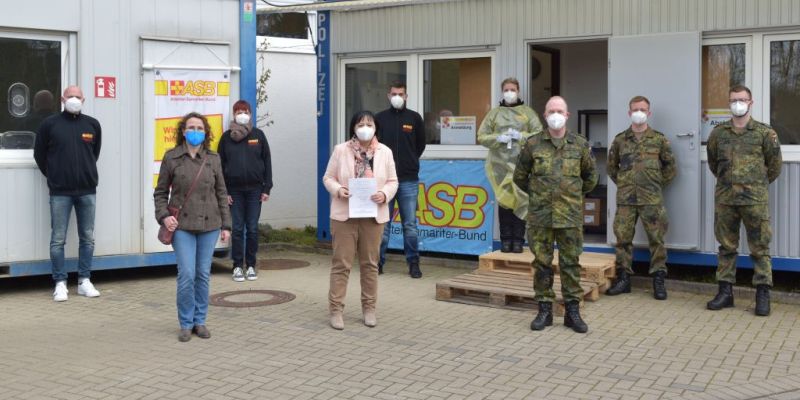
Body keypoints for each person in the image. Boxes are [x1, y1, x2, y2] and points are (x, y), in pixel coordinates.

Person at [513, 96, 597, 333]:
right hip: (541, 216)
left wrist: (572, 195)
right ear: (545, 115)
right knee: (542, 263)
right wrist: (539, 194)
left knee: (571, 263)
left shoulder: (579, 144)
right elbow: (520, 176)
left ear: (567, 115)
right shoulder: (533, 144)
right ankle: (544, 310)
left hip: (569, 216)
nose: (556, 115)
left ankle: (572, 312)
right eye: (551, 111)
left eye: (560, 111)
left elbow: (591, 177)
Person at [154, 112, 232, 342]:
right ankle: (186, 323)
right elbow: (160, 193)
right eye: (191, 127)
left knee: (203, 274)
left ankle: (200, 321)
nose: (195, 131)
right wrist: (164, 216)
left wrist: (226, 225)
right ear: (183, 131)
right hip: (182, 226)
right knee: (187, 274)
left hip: (210, 224)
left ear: (205, 133)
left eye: (199, 128)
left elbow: (221, 193)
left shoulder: (213, 159)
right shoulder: (172, 157)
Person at [706, 85, 782, 316]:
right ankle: (725, 292)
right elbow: (714, 164)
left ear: (751, 102)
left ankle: (762, 294)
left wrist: (754, 185)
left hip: (754, 200)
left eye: (742, 99)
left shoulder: (764, 133)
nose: (737, 104)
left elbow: (774, 167)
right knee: (726, 247)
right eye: (733, 100)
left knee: (760, 247)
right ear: (729, 103)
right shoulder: (718, 134)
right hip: (726, 199)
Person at [323, 111, 398, 330]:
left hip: (373, 216)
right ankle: (336, 310)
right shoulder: (340, 150)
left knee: (370, 265)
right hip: (345, 216)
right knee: (341, 264)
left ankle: (369, 308)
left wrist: (384, 193)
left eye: (369, 124)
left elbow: (393, 181)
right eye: (361, 124)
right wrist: (339, 190)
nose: (365, 127)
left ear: (376, 128)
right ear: (353, 127)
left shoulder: (385, 152)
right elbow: (328, 177)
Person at [33, 86, 102, 302]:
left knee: (87, 238)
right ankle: (60, 283)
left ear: (84, 99)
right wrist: (54, 176)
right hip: (60, 192)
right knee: (58, 239)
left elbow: (94, 153)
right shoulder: (49, 124)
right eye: (70, 96)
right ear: (62, 99)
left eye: (77, 96)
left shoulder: (92, 125)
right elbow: (39, 155)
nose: (74, 99)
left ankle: (84, 281)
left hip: (87, 191)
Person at [606, 96, 677, 300]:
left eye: (643, 109)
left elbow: (670, 168)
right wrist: (625, 184)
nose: (639, 113)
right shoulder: (620, 140)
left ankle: (658, 280)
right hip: (626, 199)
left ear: (649, 113)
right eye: (635, 109)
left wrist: (655, 185)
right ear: (629, 113)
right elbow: (611, 168)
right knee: (623, 239)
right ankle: (623, 279)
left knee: (657, 240)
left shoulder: (659, 140)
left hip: (651, 199)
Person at [478, 77, 543, 253]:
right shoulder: (494, 114)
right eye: (506, 90)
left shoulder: (528, 113)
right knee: (504, 202)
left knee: (521, 200)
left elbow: (539, 135)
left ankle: (518, 240)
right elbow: (482, 136)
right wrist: (498, 138)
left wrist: (521, 136)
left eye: (512, 90)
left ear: (518, 91)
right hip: (499, 167)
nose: (509, 93)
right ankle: (506, 240)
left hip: (522, 165)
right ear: (502, 92)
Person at [218, 100, 272, 282]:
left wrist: (267, 187)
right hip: (234, 191)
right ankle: (237, 266)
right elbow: (220, 166)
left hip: (255, 190)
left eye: (245, 111)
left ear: (250, 114)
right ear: (233, 115)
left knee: (253, 228)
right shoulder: (226, 138)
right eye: (239, 111)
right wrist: (224, 192)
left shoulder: (258, 135)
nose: (242, 114)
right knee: (238, 228)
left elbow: (267, 161)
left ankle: (250, 265)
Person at [376, 81, 425, 278]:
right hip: (384, 181)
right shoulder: (379, 118)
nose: (397, 97)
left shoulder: (414, 118)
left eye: (401, 94)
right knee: (383, 225)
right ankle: (377, 263)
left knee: (410, 225)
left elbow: (420, 145)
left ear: (406, 96)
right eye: (394, 94)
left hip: (408, 180)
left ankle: (413, 263)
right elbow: (374, 146)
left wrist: (409, 161)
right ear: (388, 96)